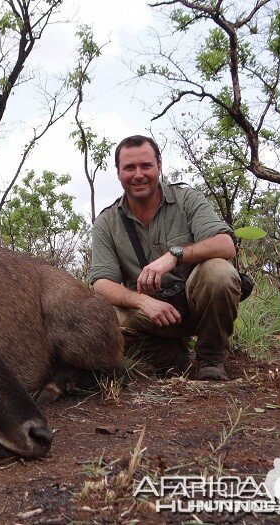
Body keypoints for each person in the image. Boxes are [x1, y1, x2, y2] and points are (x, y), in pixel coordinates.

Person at [89, 135, 241, 380]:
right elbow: (101, 282)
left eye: (146, 166)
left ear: (159, 166)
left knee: (219, 272)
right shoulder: (106, 222)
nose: (138, 174)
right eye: (129, 167)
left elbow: (226, 245)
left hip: (194, 307)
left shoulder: (187, 199)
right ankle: (168, 355)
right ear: (118, 173)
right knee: (94, 320)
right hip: (148, 314)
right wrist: (141, 301)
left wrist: (176, 255)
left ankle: (210, 358)